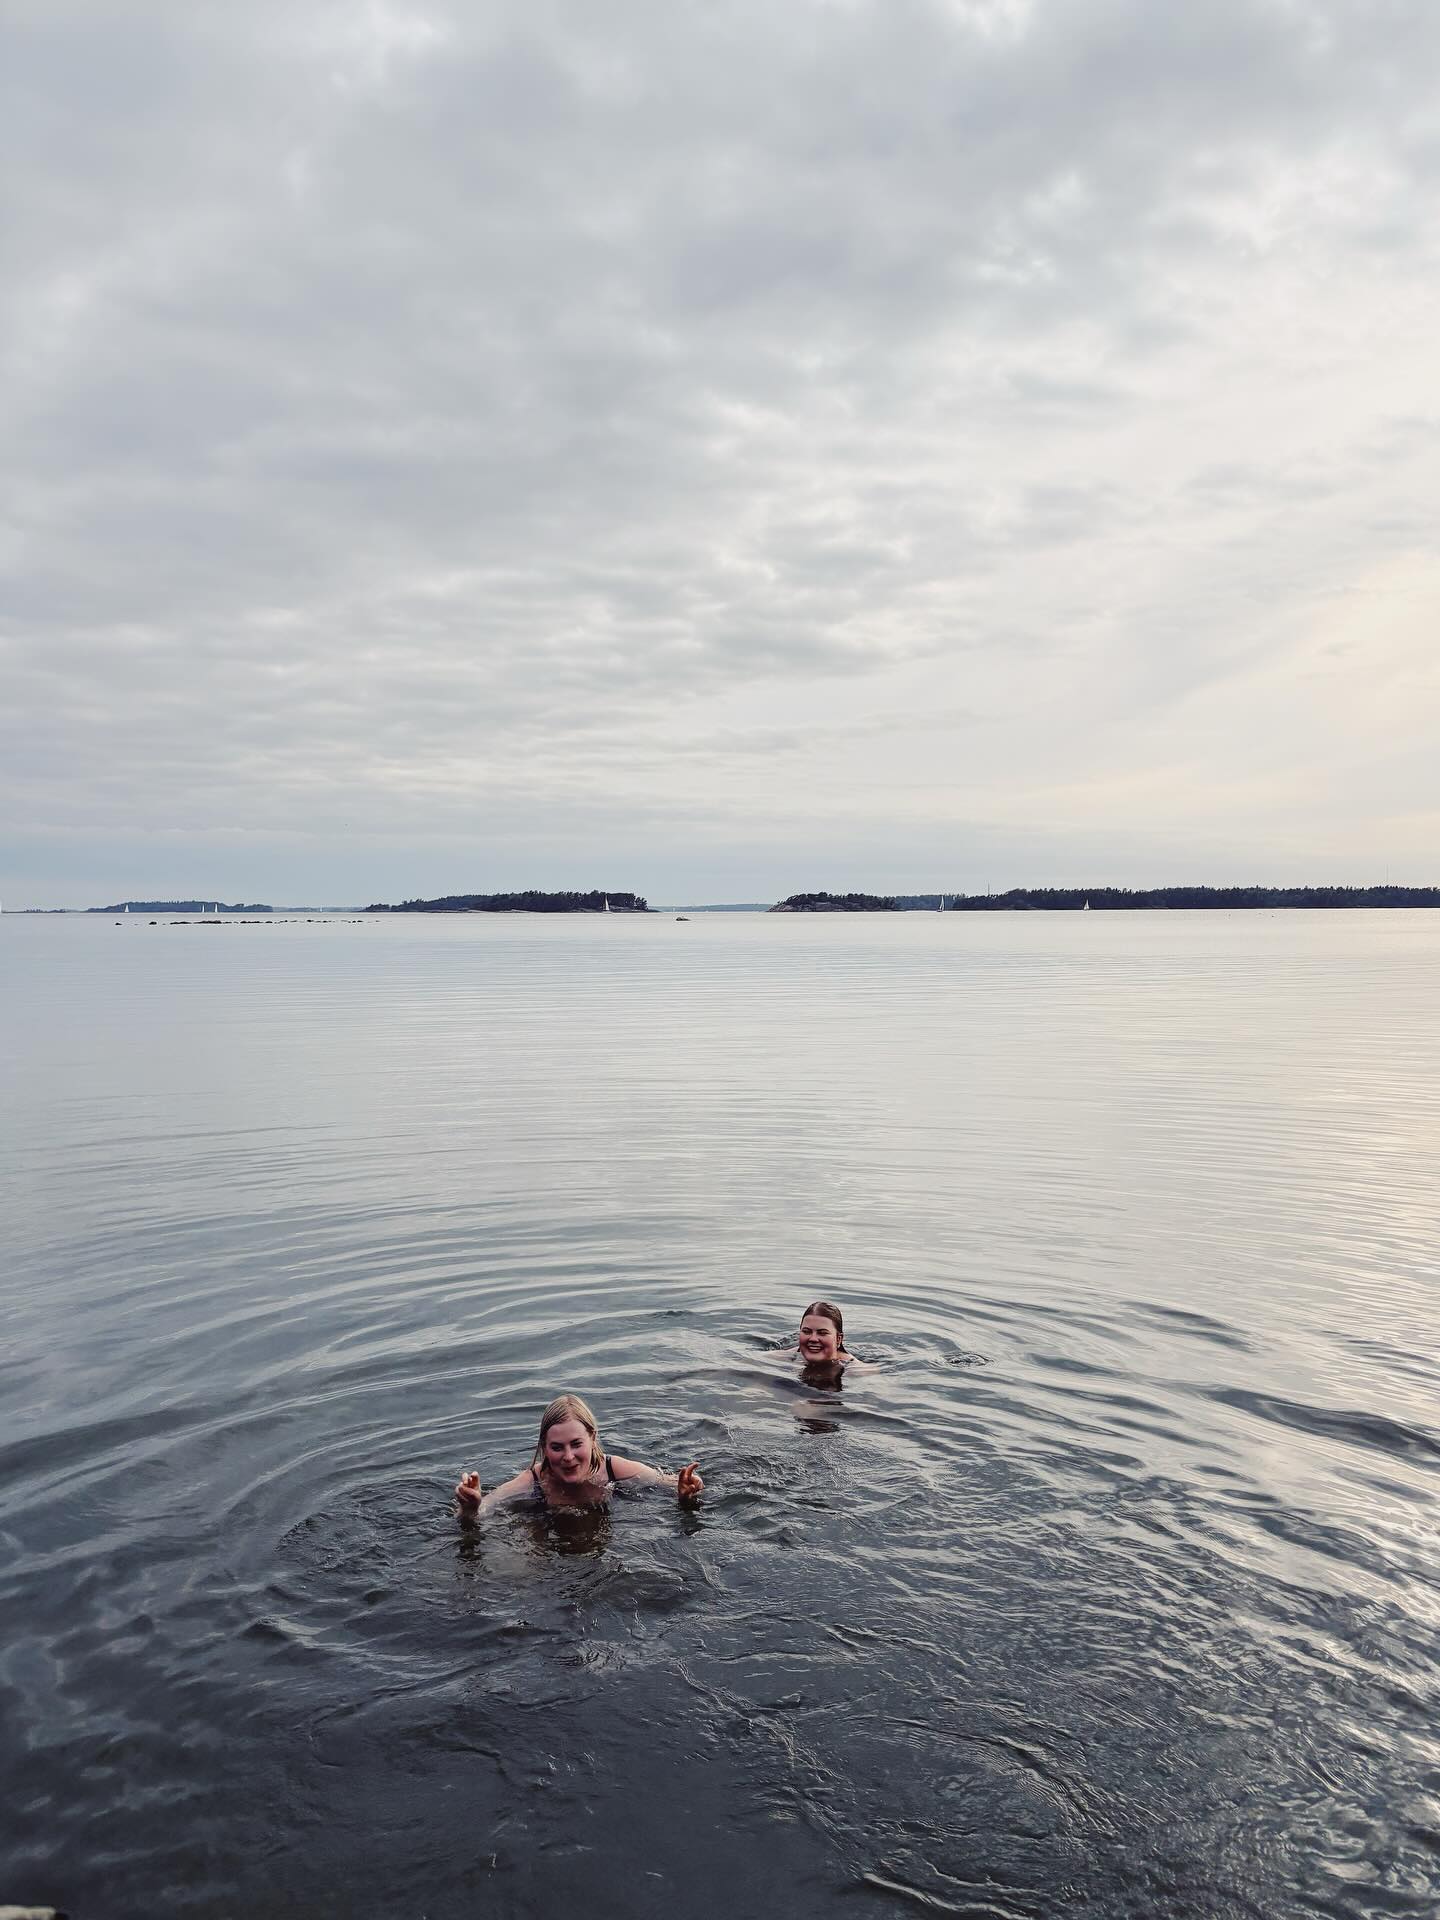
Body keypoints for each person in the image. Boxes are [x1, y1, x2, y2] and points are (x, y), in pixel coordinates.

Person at [455, 1392, 703, 1515]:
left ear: (592, 1437)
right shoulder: (533, 1482)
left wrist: (686, 1492)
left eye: (576, 1444)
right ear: (544, 1447)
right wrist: (471, 1506)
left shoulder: (614, 1469)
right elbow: (485, 1509)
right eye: (557, 1447)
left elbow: (668, 1483)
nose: (568, 1456)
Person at [787, 1300, 871, 1377]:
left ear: (838, 1339)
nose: (813, 1339)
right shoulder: (783, 1357)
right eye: (806, 1331)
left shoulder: (858, 1370)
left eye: (822, 1333)